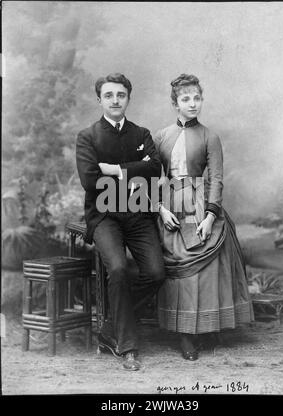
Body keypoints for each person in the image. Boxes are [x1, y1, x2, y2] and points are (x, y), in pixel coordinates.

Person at [154, 74, 254, 360]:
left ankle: (207, 329)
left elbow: (217, 177)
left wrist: (210, 215)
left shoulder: (210, 136)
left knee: (207, 268)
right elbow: (152, 178)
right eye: (186, 99)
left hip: (200, 201)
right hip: (171, 204)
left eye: (197, 98)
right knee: (179, 270)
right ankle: (184, 334)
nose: (193, 103)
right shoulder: (161, 136)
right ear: (175, 103)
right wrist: (160, 208)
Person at [76, 73, 165, 371]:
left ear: (128, 98)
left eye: (121, 95)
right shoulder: (88, 136)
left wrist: (114, 169)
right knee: (117, 268)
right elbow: (90, 180)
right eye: (109, 95)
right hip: (104, 216)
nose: (115, 100)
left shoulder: (141, 134)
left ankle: (109, 328)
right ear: (99, 99)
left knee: (155, 273)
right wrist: (133, 173)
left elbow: (155, 169)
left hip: (138, 213)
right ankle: (127, 347)